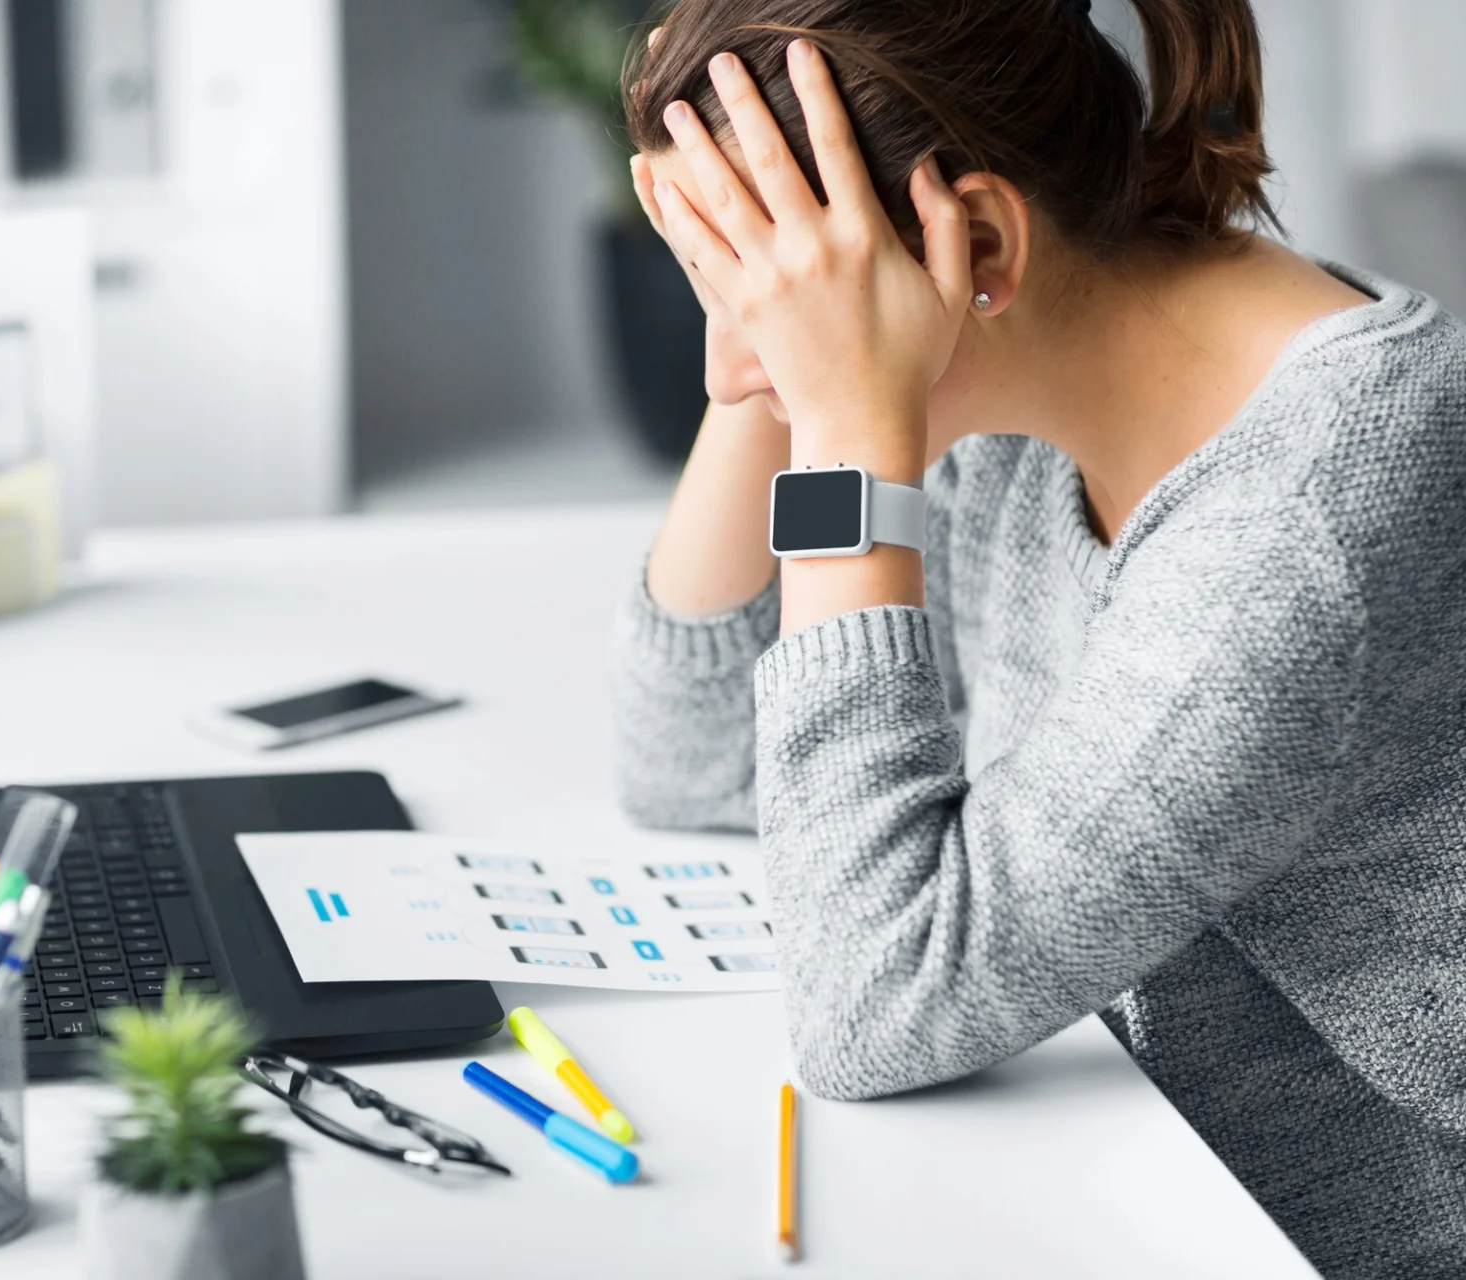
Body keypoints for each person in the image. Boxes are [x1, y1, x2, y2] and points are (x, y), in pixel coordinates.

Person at [610, 0, 1466, 1273]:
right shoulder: (1020, 381)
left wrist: (842, 418)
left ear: (980, 244)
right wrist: (782, 364)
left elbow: (875, 1001)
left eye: (766, 296)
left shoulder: (1303, 525)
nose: (723, 369)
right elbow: (697, 759)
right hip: (1111, 1157)